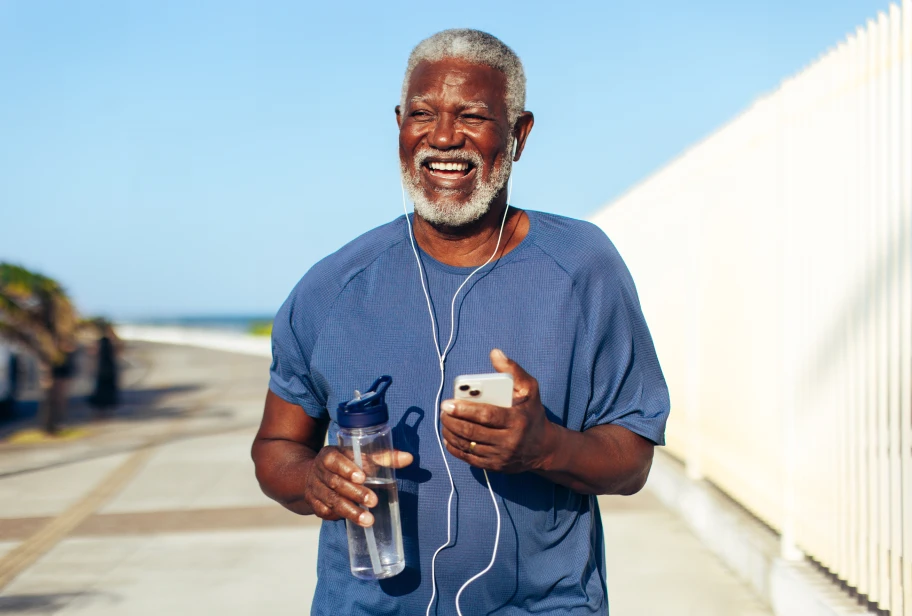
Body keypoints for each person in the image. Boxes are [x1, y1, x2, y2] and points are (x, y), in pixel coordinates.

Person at [252, 29, 670, 615]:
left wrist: (545, 446)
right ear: (400, 124)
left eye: (472, 116)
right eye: (423, 114)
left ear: (519, 135)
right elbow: (275, 449)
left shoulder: (582, 267)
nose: (443, 137)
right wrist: (311, 480)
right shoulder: (331, 288)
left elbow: (632, 461)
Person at [88, 321, 120, 416]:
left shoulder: (112, 340)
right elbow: (93, 353)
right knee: (101, 389)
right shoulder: (100, 340)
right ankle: (100, 411)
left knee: (109, 388)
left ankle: (106, 411)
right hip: (102, 367)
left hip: (109, 367)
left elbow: (118, 351)